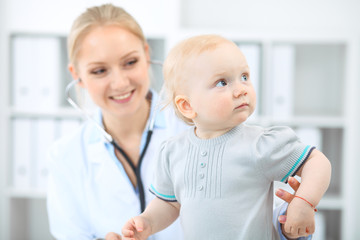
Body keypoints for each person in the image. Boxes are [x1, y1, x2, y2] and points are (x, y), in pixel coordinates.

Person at [46, 4, 314, 240]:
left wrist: (288, 222)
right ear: (77, 74)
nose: (120, 82)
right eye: (99, 70)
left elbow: (251, 207)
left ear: (146, 54)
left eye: (130, 62)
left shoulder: (211, 123)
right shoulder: (66, 156)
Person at [121, 35, 332, 240]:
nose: (241, 89)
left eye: (244, 77)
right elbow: (170, 204)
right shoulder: (172, 151)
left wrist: (304, 202)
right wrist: (147, 223)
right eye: (222, 82)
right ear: (187, 106)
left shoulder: (260, 144)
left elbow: (317, 162)